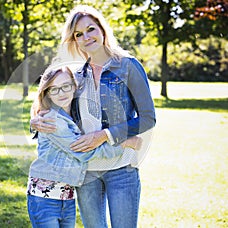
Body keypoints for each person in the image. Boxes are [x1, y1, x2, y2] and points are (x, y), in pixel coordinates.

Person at [30, 5, 156, 228]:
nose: (86, 37)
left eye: (91, 29)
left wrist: (105, 135)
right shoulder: (77, 75)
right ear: (75, 40)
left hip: (122, 168)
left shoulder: (128, 66)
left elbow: (148, 118)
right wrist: (35, 122)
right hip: (86, 173)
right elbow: (56, 106)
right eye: (79, 34)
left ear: (102, 30)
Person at [27, 66, 142, 228]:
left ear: (75, 87)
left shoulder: (73, 113)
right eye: (54, 89)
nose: (61, 93)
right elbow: (82, 153)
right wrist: (123, 143)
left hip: (66, 197)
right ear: (46, 92)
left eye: (66, 86)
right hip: (45, 198)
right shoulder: (53, 121)